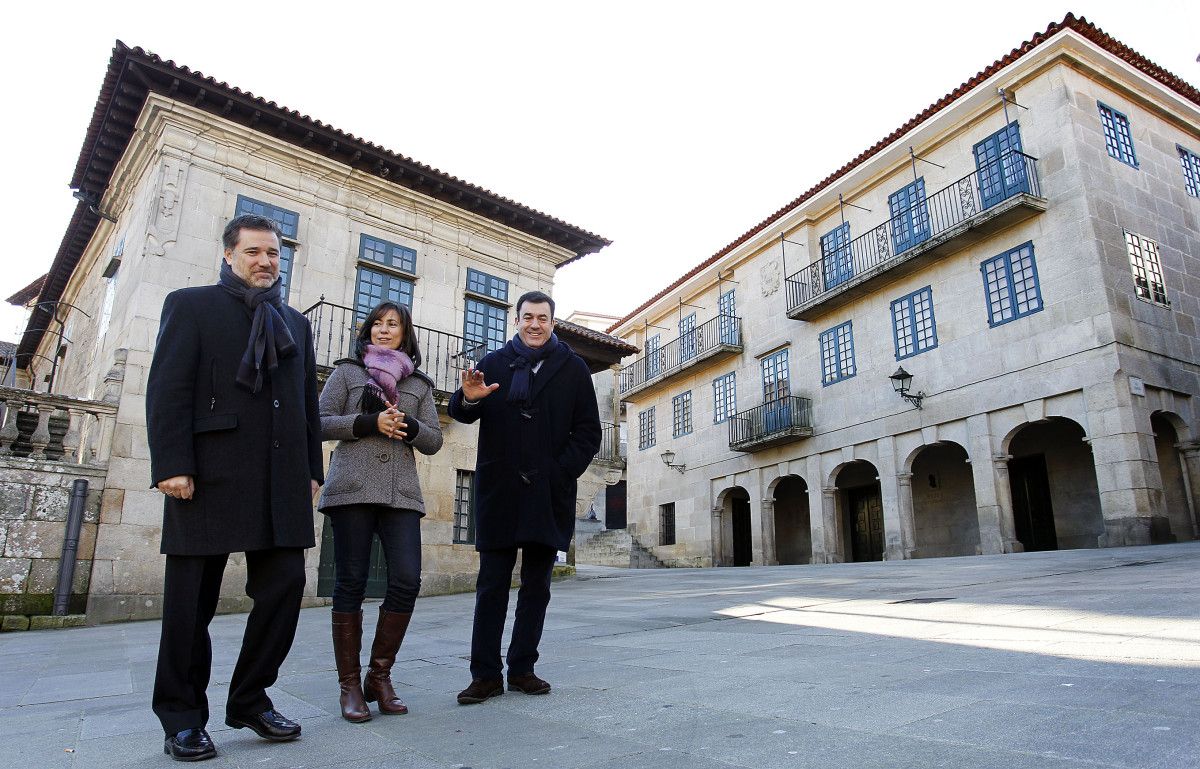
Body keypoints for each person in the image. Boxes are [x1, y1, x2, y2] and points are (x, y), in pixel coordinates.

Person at [146, 214, 323, 762]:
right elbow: (167, 388)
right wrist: (172, 462)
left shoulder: (294, 322)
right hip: (206, 473)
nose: (266, 261)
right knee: (189, 604)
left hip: (280, 476)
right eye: (253, 252)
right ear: (229, 255)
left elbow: (305, 405)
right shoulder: (191, 305)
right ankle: (181, 718)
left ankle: (249, 698)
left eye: (273, 253)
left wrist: (312, 469)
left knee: (286, 585)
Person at [449, 290, 601, 705]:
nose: (535, 325)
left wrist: (559, 471)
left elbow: (589, 431)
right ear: (516, 321)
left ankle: (522, 669)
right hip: (499, 490)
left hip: (547, 493)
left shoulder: (573, 369)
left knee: (537, 585)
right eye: (528, 317)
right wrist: (467, 397)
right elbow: (461, 411)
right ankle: (484, 675)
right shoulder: (492, 364)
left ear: (553, 323)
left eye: (543, 318)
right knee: (491, 585)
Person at [317, 301, 443, 722]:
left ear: (405, 334)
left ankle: (380, 676)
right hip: (352, 487)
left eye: (393, 325)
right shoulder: (347, 373)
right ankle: (349, 684)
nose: (384, 330)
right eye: (378, 324)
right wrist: (370, 423)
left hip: (401, 494)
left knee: (406, 579)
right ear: (367, 331)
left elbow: (433, 441)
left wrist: (404, 423)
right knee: (350, 582)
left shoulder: (420, 385)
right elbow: (318, 421)